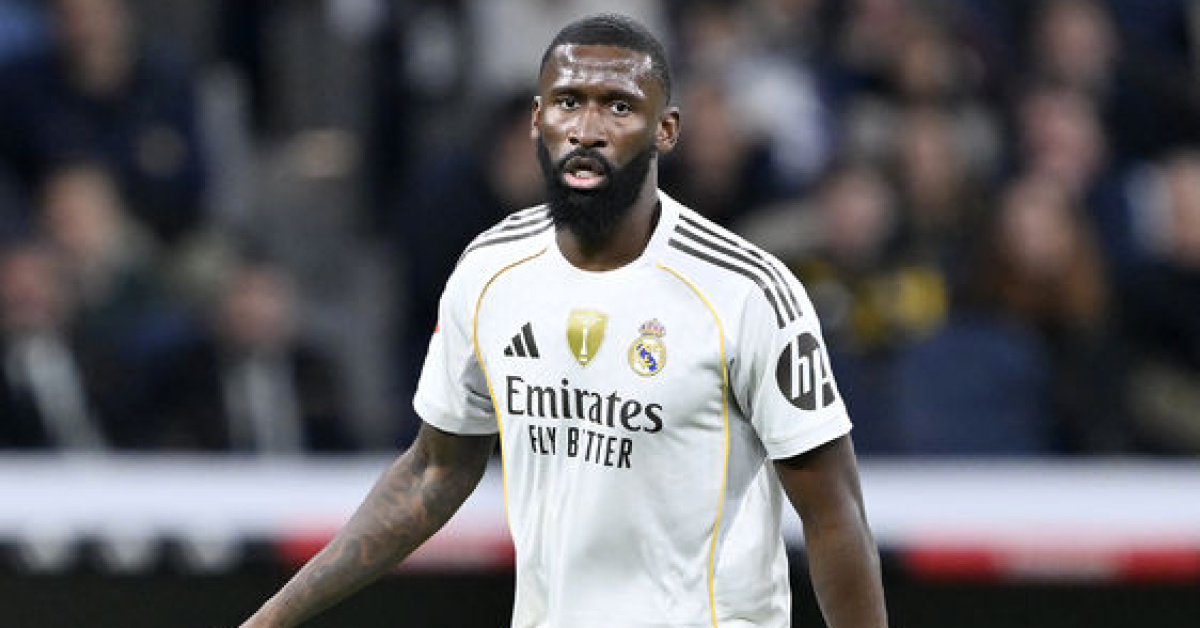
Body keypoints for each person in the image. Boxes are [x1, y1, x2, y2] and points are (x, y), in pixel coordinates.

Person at [239, 14, 887, 628]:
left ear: (666, 130)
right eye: (568, 102)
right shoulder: (490, 271)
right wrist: (274, 616)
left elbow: (834, 512)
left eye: (619, 106)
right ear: (536, 120)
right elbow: (434, 469)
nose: (587, 128)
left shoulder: (747, 291)